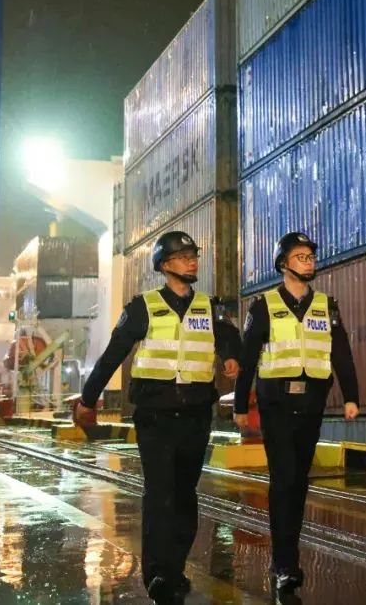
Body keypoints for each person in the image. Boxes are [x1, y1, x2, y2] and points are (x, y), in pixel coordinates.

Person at [75, 230, 240, 605]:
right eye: (183, 256)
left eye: (194, 255)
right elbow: (113, 354)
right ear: (164, 265)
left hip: (196, 415)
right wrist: (88, 398)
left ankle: (176, 568)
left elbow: (231, 337)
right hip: (156, 417)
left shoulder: (209, 307)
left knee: (185, 495)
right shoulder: (143, 307)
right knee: (161, 494)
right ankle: (158, 574)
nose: (192, 261)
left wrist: (232, 356)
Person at [234, 231, 359, 597]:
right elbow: (247, 358)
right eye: (301, 257)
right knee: (284, 478)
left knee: (299, 481)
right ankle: (285, 564)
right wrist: (240, 404)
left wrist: (351, 396)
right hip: (276, 405)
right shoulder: (264, 306)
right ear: (283, 264)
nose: (308, 262)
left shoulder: (326, 306)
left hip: (312, 404)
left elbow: (341, 353)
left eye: (310, 257)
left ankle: (286, 557)